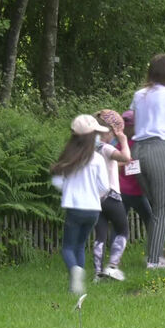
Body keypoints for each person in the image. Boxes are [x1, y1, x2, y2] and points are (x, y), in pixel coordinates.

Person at [130, 54, 165, 269]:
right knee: (163, 208)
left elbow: (134, 125)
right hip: (158, 148)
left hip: (137, 151)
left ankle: (156, 253)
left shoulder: (139, 95)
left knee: (154, 206)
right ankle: (154, 261)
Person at [51, 115, 110, 294]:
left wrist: (69, 189)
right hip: (93, 209)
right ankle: (77, 287)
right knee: (80, 245)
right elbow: (105, 187)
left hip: (74, 207)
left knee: (68, 247)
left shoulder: (68, 157)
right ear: (93, 136)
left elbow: (57, 181)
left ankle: (75, 272)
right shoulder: (98, 159)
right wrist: (95, 194)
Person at [92, 110, 132, 282]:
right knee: (123, 230)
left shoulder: (90, 149)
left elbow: (116, 162)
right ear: (107, 132)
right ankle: (112, 266)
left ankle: (97, 273)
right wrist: (123, 140)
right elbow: (125, 157)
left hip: (96, 199)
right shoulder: (106, 148)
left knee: (100, 235)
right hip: (112, 197)